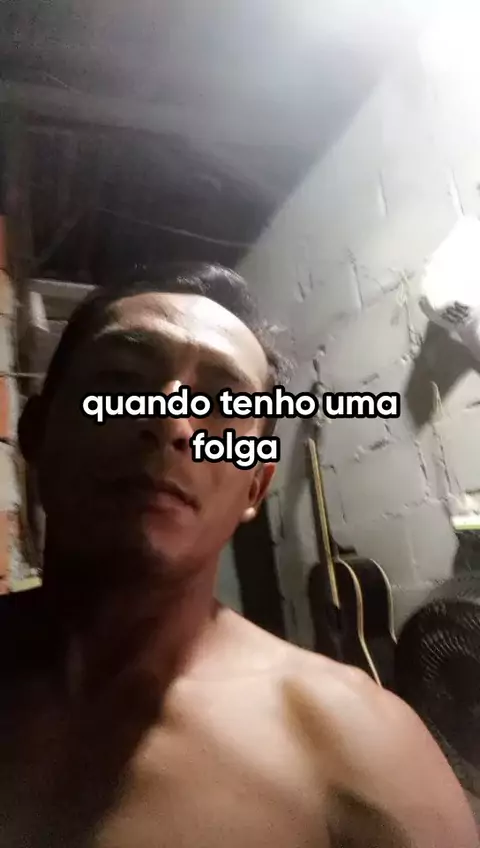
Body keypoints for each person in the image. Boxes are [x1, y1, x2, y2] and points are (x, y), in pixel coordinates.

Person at [1, 262, 476, 848]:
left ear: (255, 486)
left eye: (223, 403)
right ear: (37, 431)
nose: (171, 420)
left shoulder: (364, 750)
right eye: (121, 382)